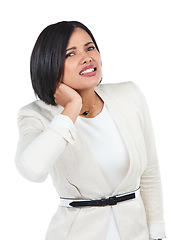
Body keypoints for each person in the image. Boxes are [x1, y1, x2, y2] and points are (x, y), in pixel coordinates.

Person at [15, 21, 166, 240]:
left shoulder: (129, 95)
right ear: (49, 65)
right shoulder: (35, 115)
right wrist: (72, 108)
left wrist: (157, 232)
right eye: (70, 54)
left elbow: (150, 172)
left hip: (136, 233)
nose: (87, 57)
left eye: (90, 47)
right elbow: (32, 170)